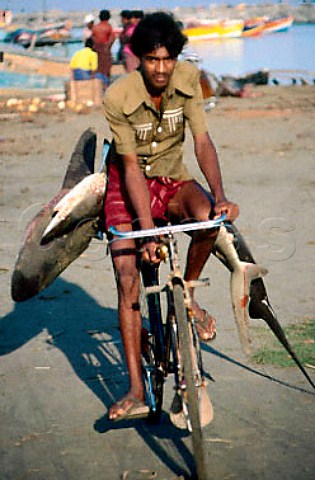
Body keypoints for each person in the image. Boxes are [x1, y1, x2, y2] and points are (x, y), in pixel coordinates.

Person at [103, 12, 239, 421]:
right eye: (151, 60)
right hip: (126, 184)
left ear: (176, 57)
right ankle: (135, 388)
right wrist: (146, 232)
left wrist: (220, 196)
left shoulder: (188, 80)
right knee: (128, 278)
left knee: (207, 220)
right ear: (138, 57)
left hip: (171, 176)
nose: (160, 69)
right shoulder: (118, 97)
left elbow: (201, 140)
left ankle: (190, 293)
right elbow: (129, 169)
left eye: (167, 59)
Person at [92, 9, 114, 88]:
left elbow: (93, 40)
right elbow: (112, 39)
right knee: (106, 71)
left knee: (98, 70)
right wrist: (107, 48)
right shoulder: (108, 27)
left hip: (96, 51)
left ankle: (98, 87)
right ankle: (106, 87)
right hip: (105, 51)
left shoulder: (95, 27)